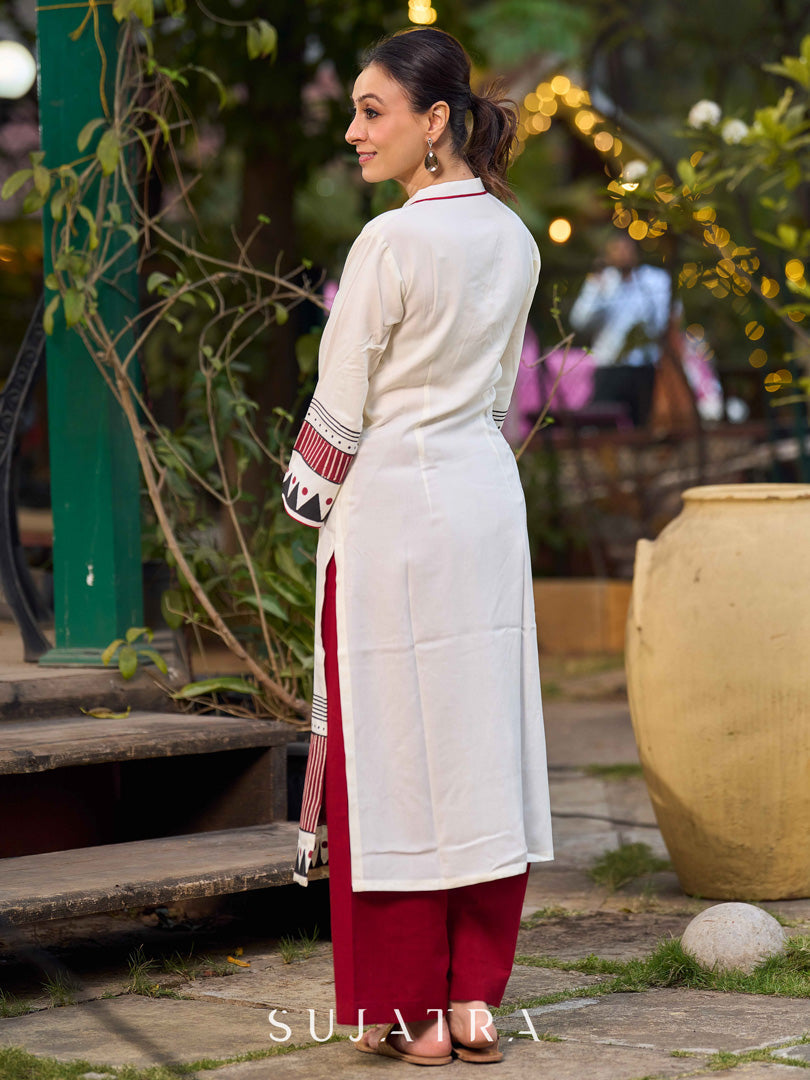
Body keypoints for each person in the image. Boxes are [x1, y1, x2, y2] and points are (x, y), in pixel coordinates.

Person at [281, 27, 552, 1066]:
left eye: (372, 111)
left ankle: (412, 1014)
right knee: (479, 743)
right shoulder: (515, 238)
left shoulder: (390, 243)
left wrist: (307, 497)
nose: (354, 131)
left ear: (435, 121)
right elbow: (498, 391)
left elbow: (341, 401)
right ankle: (475, 1000)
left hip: (395, 507)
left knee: (394, 755)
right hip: (482, 498)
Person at [569, 234, 672, 427]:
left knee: (643, 424)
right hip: (609, 366)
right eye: (616, 250)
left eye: (626, 249)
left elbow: (666, 322)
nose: (622, 254)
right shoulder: (601, 281)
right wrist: (597, 290)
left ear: (636, 252)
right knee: (603, 425)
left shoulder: (655, 280)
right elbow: (579, 321)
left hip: (644, 365)